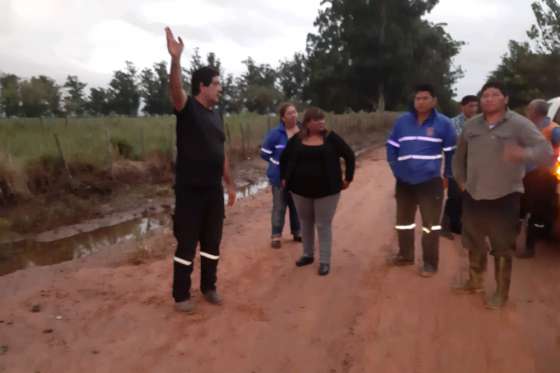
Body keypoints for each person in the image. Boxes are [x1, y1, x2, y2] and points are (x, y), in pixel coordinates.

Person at [452, 82, 553, 310]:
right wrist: (460, 181)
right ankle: (475, 281)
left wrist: (522, 153)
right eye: (485, 95)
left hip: (505, 195)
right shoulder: (471, 125)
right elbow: (459, 157)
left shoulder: (519, 124)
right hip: (474, 194)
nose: (488, 99)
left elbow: (546, 153)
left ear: (505, 99)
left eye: (494, 95)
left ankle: (500, 293)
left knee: (502, 247)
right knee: (473, 241)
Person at [165, 27, 236, 313]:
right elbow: (175, 90)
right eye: (216, 83)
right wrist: (175, 60)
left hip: (212, 191)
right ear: (203, 86)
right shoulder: (188, 108)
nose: (220, 88)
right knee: (186, 244)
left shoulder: (216, 115)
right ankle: (181, 295)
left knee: (212, 242)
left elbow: (221, 151)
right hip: (189, 191)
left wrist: (230, 184)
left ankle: (209, 286)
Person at [386, 84, 456, 277]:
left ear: (434, 101)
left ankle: (430, 263)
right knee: (403, 222)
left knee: (431, 225)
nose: (421, 102)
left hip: (430, 181)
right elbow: (391, 145)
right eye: (418, 98)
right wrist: (395, 168)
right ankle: (405, 255)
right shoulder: (402, 122)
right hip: (404, 182)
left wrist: (447, 176)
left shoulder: (444, 124)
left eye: (425, 98)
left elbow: (451, 152)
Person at [280, 107, 355, 276]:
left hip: (328, 190)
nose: (321, 122)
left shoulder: (331, 138)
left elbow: (349, 155)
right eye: (317, 120)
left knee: (323, 224)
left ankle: (324, 261)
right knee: (305, 222)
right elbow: (284, 158)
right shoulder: (297, 139)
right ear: (307, 123)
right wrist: (284, 177)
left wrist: (348, 178)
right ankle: (307, 255)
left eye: (323, 119)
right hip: (300, 190)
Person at [517, 99, 560, 258]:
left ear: (534, 111)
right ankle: (513, 243)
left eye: (529, 109)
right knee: (519, 210)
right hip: (523, 174)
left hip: (542, 178)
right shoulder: (526, 127)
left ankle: (529, 247)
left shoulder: (553, 129)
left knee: (536, 213)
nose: (527, 111)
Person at [260, 103, 302, 248]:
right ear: (283, 117)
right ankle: (276, 236)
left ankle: (298, 232)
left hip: (298, 177)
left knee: (296, 206)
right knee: (279, 206)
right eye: (290, 113)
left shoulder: (303, 131)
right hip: (279, 177)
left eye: (295, 112)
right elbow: (264, 153)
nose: (294, 115)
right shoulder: (275, 134)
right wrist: (277, 164)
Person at [441, 95, 479, 239]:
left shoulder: (480, 122)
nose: (474, 109)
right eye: (470, 106)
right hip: (456, 166)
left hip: (474, 166)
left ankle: (456, 225)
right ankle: (444, 226)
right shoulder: (453, 123)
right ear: (462, 107)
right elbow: (456, 141)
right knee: (454, 196)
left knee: (466, 197)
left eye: (476, 106)